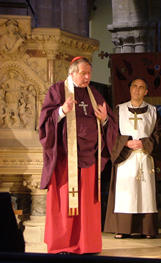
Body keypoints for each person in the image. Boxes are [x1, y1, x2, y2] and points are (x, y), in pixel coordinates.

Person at [39, 57, 117, 254]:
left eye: (89, 73)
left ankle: (87, 244)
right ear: (72, 72)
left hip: (90, 159)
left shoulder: (95, 95)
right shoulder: (57, 91)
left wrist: (105, 119)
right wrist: (62, 111)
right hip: (66, 161)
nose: (87, 77)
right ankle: (63, 244)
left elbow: (111, 124)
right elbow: (43, 124)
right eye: (83, 73)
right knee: (65, 204)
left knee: (87, 205)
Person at [104, 78, 161, 239]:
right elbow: (111, 134)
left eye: (141, 87)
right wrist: (126, 142)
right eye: (134, 86)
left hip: (145, 156)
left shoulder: (153, 111)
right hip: (126, 157)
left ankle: (147, 229)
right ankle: (122, 228)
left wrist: (144, 142)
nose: (137, 90)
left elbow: (160, 135)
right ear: (130, 89)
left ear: (146, 91)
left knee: (145, 193)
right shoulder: (119, 110)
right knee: (127, 193)